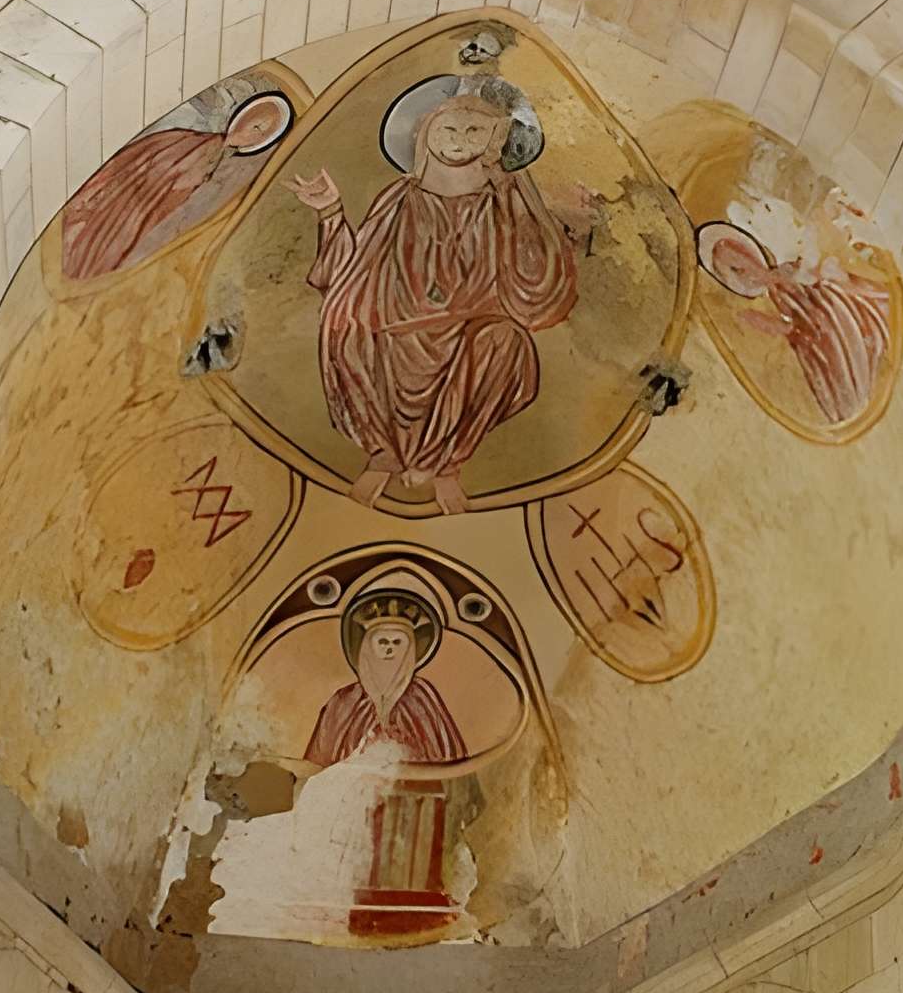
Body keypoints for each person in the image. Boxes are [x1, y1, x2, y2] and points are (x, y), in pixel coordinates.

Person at [290, 94, 582, 513]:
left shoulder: (503, 201)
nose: (459, 140)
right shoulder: (398, 198)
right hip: (396, 321)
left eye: (474, 130)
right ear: (427, 135)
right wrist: (330, 212)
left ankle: (444, 461)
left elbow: (536, 282)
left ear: (493, 141)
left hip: (473, 324)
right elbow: (352, 271)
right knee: (348, 318)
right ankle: (383, 452)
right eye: (449, 129)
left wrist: (517, 201)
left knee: (505, 341)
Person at [60, 90, 292, 281]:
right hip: (123, 205)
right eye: (255, 124)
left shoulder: (225, 171)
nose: (253, 133)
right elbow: (132, 163)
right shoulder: (185, 139)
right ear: (243, 116)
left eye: (261, 133)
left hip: (151, 223)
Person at [701, 222, 892, 426]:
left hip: (833, 309)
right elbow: (797, 328)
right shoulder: (771, 297)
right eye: (735, 273)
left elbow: (816, 275)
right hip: (818, 336)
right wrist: (781, 327)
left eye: (743, 262)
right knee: (839, 376)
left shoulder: (786, 261)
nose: (748, 273)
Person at [305, 601, 465, 768]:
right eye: (382, 642)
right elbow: (319, 767)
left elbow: (444, 761)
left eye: (397, 643)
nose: (389, 650)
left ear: (409, 650)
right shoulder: (343, 701)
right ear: (366, 647)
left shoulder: (422, 696)